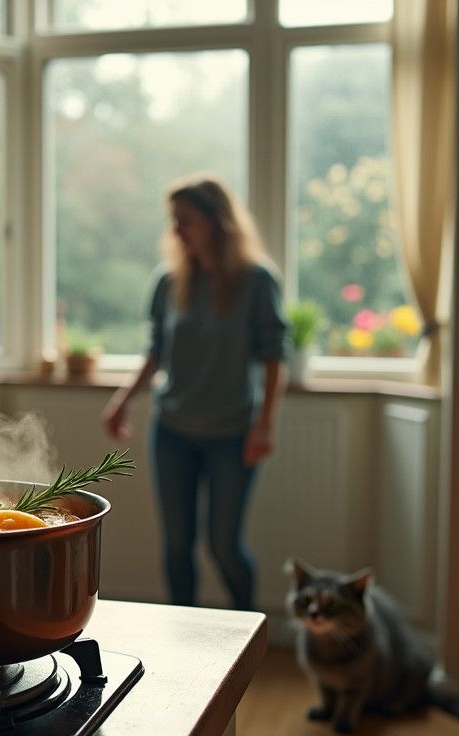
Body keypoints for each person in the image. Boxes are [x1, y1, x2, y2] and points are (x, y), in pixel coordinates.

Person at [101, 173, 288, 611]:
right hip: (173, 432)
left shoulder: (257, 281)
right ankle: (182, 639)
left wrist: (265, 426)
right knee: (177, 545)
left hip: (233, 433)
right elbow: (155, 353)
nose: (177, 230)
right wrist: (121, 401)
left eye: (186, 219)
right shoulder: (169, 282)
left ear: (217, 221)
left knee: (224, 546)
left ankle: (248, 635)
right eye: (174, 220)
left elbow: (275, 355)